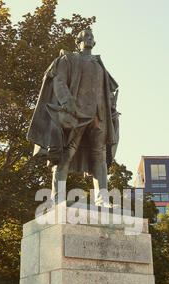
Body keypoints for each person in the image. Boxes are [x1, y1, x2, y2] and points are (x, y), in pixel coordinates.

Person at [27, 29, 120, 206]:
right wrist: (67, 103)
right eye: (86, 36)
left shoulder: (99, 64)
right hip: (75, 115)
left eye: (92, 36)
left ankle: (102, 199)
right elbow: (59, 81)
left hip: (98, 116)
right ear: (78, 41)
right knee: (65, 155)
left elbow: (104, 91)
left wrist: (111, 108)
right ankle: (57, 198)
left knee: (99, 157)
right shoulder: (68, 59)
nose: (90, 39)